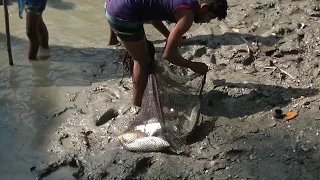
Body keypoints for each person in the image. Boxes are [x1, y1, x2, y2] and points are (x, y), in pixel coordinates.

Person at [105, 0, 228, 107]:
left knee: (141, 48)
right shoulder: (188, 15)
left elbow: (153, 14)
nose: (207, 22)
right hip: (122, 14)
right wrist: (192, 65)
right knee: (142, 60)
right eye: (210, 17)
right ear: (204, 7)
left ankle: (113, 40)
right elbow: (168, 55)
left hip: (111, 3)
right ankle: (137, 104)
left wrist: (169, 35)